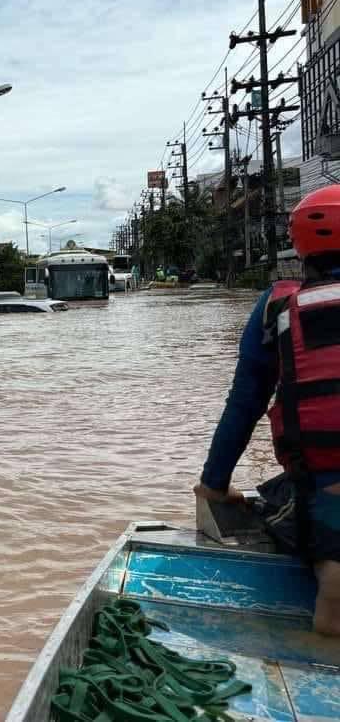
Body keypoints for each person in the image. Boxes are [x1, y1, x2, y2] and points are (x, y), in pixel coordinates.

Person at [196, 186, 340, 636]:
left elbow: (244, 405)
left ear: (299, 248)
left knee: (297, 510)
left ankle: (331, 574)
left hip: (322, 484)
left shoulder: (277, 306)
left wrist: (214, 485)